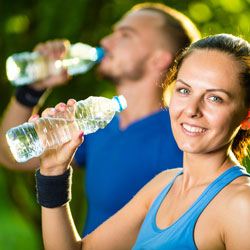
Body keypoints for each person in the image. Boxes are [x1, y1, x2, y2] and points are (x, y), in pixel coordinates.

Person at [34, 33, 250, 249]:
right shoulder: (162, 185)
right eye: (184, 90)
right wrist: (53, 172)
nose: (191, 110)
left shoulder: (242, 206)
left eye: (215, 98)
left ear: (246, 117)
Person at [0, 3, 200, 236]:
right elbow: (10, 155)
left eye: (125, 35)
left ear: (158, 59)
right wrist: (33, 88)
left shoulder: (183, 139)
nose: (106, 42)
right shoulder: (97, 125)